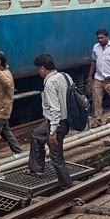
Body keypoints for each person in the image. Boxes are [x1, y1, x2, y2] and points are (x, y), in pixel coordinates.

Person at [26, 53, 73, 190]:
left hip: (57, 123)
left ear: (42, 68)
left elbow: (55, 109)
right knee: (37, 134)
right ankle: (37, 168)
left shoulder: (50, 83)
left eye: (38, 69)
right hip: (61, 121)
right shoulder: (65, 76)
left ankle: (67, 187)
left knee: (56, 157)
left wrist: (52, 132)